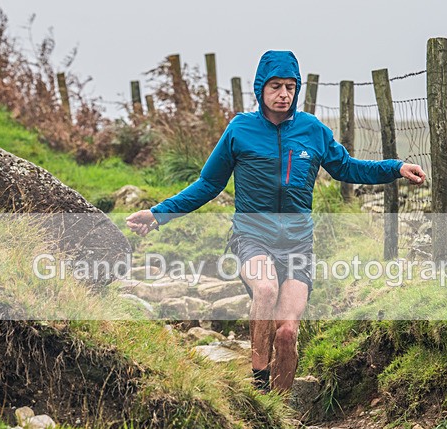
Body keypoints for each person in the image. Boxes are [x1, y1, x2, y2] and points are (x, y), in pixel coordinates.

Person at [126, 50, 425, 393]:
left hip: (298, 244)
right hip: (252, 237)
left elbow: (347, 168)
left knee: (286, 332)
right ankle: (258, 385)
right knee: (265, 289)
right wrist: (158, 214)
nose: (284, 94)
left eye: (290, 87)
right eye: (275, 87)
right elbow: (209, 184)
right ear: (260, 90)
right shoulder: (241, 129)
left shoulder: (312, 130)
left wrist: (395, 168)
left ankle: (279, 409)